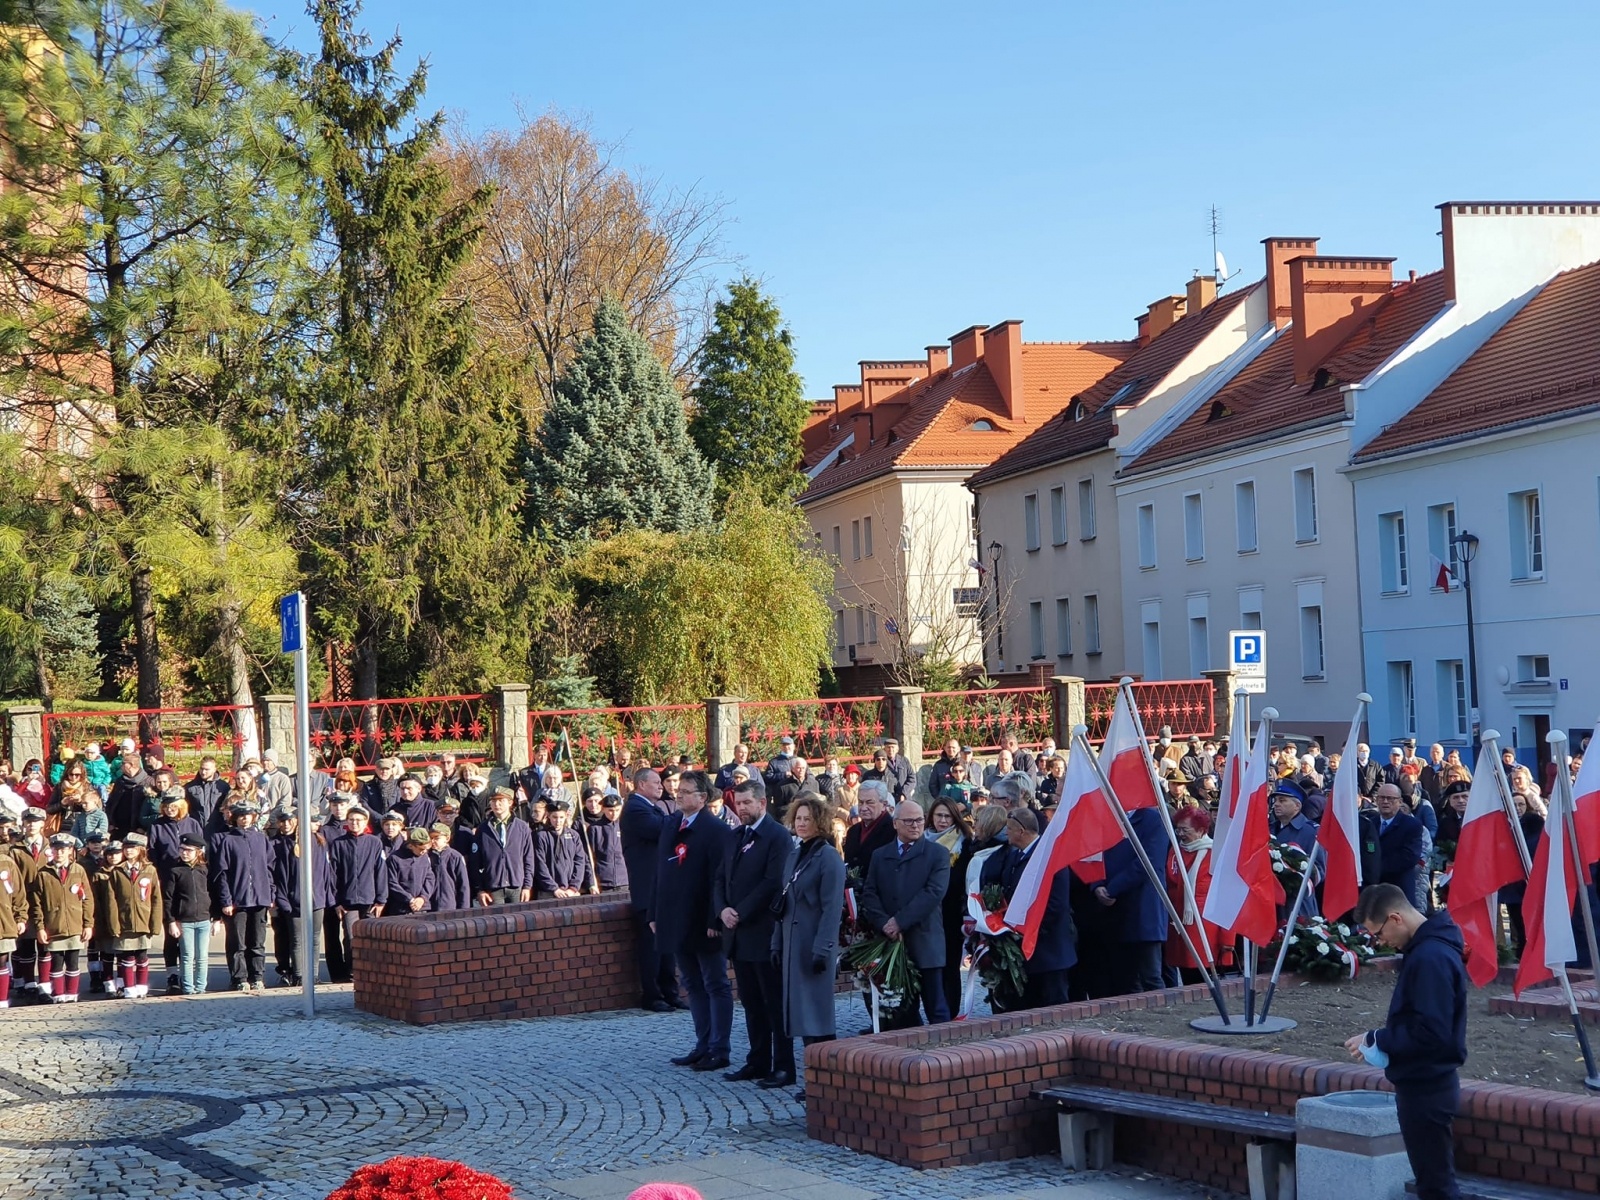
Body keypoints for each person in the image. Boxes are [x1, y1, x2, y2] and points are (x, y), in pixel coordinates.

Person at [1345, 884, 1467, 1200]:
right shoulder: (1427, 950)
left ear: (1396, 918)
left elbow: (1431, 1032)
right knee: (1432, 1181)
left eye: (1379, 933)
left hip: (1427, 1087)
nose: (1380, 942)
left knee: (1436, 1187)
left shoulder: (1430, 957)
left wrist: (1378, 1038)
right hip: (1426, 1082)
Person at [716, 776, 795, 1089]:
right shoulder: (734, 836)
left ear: (762, 803)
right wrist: (722, 909)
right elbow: (720, 878)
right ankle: (758, 1059)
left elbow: (773, 882)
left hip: (763, 933)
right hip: (737, 934)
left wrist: (741, 911)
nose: (741, 807)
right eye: (737, 802)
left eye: (747, 802)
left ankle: (784, 1066)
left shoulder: (777, 837)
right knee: (750, 1001)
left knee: (773, 1002)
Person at [654, 769, 735, 1071]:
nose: (679, 795)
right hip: (676, 917)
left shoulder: (716, 830)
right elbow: (660, 871)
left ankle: (720, 1047)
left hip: (705, 921)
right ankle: (703, 1044)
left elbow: (721, 878)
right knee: (691, 982)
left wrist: (716, 918)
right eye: (678, 791)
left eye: (686, 791)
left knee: (714, 983)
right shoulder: (671, 824)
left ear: (702, 797)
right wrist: (654, 912)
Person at [773, 793, 845, 1103]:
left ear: (820, 822)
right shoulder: (794, 853)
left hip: (814, 946)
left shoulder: (827, 856)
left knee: (818, 1017)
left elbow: (832, 908)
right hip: (792, 944)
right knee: (801, 1016)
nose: (801, 824)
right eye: (798, 819)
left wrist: (824, 948)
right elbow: (784, 903)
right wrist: (777, 943)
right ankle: (814, 1078)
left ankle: (828, 1081)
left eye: (807, 819)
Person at [860, 801, 951, 1025]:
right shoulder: (880, 855)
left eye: (919, 820)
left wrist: (899, 921)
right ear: (895, 824)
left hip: (925, 941)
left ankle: (947, 1055)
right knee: (900, 1011)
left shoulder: (937, 854)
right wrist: (885, 924)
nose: (915, 825)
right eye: (909, 821)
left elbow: (933, 893)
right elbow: (869, 893)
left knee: (936, 1007)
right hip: (891, 942)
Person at [980, 807, 1075, 1007]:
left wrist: (1023, 928)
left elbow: (1056, 905)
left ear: (1021, 832)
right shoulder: (1014, 857)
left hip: (1049, 953)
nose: (1005, 833)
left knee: (1054, 1013)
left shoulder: (1050, 856)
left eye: (1009, 828)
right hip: (1026, 953)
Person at [620, 768, 685, 1012]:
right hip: (648, 889)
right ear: (640, 785)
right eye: (656, 782)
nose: (661, 786)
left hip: (663, 887)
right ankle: (652, 994)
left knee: (667, 944)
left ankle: (670, 992)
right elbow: (662, 829)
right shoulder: (636, 809)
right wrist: (684, 813)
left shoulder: (651, 807)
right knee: (651, 945)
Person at [210, 799, 273, 993]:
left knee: (257, 942)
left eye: (248, 816)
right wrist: (226, 900)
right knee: (237, 942)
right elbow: (221, 874)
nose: (244, 819)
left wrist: (270, 893)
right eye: (241, 816)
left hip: (260, 898)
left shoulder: (261, 838)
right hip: (237, 900)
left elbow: (270, 868)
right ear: (235, 819)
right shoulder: (228, 841)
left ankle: (258, 976)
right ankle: (239, 977)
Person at [268, 808, 331, 987]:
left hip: (316, 899)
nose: (286, 824)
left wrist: (325, 895)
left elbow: (324, 872)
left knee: (314, 939)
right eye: (283, 821)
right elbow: (280, 876)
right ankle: (299, 975)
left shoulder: (317, 842)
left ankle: (314, 974)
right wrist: (283, 901)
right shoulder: (280, 844)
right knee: (297, 940)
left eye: (290, 820)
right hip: (293, 901)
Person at [29, 833, 95, 1003]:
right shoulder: (44, 873)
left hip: (74, 924)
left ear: (70, 851)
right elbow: (37, 903)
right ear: (51, 850)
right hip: (54, 925)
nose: (59, 853)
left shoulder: (78, 870)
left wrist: (88, 924)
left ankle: (72, 994)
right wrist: (40, 927)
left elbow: (87, 899)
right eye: (56, 849)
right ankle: (58, 994)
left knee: (73, 962)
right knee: (56, 963)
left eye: (63, 850)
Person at [1165, 805, 1227, 983]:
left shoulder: (1213, 853)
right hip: (1179, 922)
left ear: (1201, 830)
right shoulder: (1175, 851)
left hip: (1205, 928)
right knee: (1185, 974)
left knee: (1204, 976)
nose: (1180, 834)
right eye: (1178, 829)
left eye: (1185, 829)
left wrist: (1227, 939)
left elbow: (1223, 896)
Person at [327, 805, 385, 982]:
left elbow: (380, 871)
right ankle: (353, 971)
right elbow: (332, 874)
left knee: (371, 937)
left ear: (365, 822)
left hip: (370, 899)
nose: (354, 823)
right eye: (351, 820)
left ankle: (372, 971)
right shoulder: (338, 843)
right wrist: (336, 902)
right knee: (351, 938)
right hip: (347, 900)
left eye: (358, 820)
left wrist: (381, 900)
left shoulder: (374, 842)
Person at [104, 831, 163, 999]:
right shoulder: (117, 871)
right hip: (124, 921)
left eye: (133, 848)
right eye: (126, 848)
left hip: (143, 921)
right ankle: (129, 988)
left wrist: (155, 924)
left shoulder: (149, 870)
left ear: (141, 850)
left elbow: (156, 899)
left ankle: (141, 987)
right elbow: (111, 901)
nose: (129, 851)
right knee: (127, 956)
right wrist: (114, 924)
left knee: (142, 955)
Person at [163, 834, 212, 995]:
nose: (184, 853)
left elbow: (213, 893)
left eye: (189, 850)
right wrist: (171, 921)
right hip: (184, 920)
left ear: (198, 852)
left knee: (202, 956)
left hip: (204, 919)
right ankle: (189, 988)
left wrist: (216, 918)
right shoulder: (175, 871)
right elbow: (168, 898)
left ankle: (200, 987)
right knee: (187, 956)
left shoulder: (204, 869)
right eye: (182, 849)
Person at [471, 787, 536, 906]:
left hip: (516, 886)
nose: (497, 804)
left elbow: (528, 858)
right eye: (494, 801)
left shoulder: (522, 827)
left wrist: (527, 885)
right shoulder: (483, 829)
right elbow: (475, 862)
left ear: (510, 802)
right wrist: (479, 889)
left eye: (501, 800)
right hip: (493, 886)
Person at [1375, 782, 1427, 910]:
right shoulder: (1370, 822)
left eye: (1390, 798)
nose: (1385, 801)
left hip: (1399, 887)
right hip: (1374, 888)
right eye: (1382, 798)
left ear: (1400, 801)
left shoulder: (1411, 825)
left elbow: (1409, 857)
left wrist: (1375, 867)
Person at [533, 798, 595, 898]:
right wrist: (554, 888)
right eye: (554, 817)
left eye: (561, 817)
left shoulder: (574, 835)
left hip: (571, 892)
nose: (558, 821)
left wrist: (573, 887)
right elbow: (540, 865)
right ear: (548, 816)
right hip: (548, 892)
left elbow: (580, 862)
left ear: (566, 815)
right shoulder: (541, 836)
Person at [842, 780, 895, 877]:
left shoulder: (894, 831)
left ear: (884, 805)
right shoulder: (852, 831)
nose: (863, 808)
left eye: (870, 803)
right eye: (860, 802)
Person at [0, 818, 25, 1007]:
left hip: (4, 920)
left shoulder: (6, 862)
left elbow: (18, 893)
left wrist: (20, 916)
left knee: (2, 960)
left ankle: (2, 999)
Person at [386, 827, 437, 916]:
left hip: (422, 907)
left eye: (427, 849)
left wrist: (423, 898)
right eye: (421, 849)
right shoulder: (395, 858)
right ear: (410, 845)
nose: (424, 852)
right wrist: (410, 899)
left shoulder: (424, 857)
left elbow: (430, 878)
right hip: (400, 909)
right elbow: (392, 882)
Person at [428, 822, 472, 912]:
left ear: (447, 838)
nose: (433, 841)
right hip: (430, 906)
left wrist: (464, 910)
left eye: (437, 838)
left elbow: (463, 886)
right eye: (431, 838)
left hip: (450, 905)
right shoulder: (426, 856)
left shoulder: (456, 857)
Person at [588, 795, 628, 892]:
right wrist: (592, 883)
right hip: (603, 881)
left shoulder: (626, 826)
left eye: (617, 810)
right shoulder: (595, 828)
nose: (614, 814)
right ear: (603, 809)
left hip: (625, 880)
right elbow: (589, 857)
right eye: (610, 810)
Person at [184, 758, 230, 832]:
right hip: (196, 829)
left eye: (207, 769)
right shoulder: (189, 787)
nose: (203, 772)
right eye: (201, 769)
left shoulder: (223, 787)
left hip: (218, 830)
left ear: (214, 769)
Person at [880, 738, 914, 803]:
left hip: (904, 798)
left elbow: (912, 779)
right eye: (888, 747)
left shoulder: (904, 761)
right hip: (889, 799)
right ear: (884, 749)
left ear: (897, 749)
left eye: (893, 747)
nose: (890, 750)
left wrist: (904, 793)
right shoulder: (882, 762)